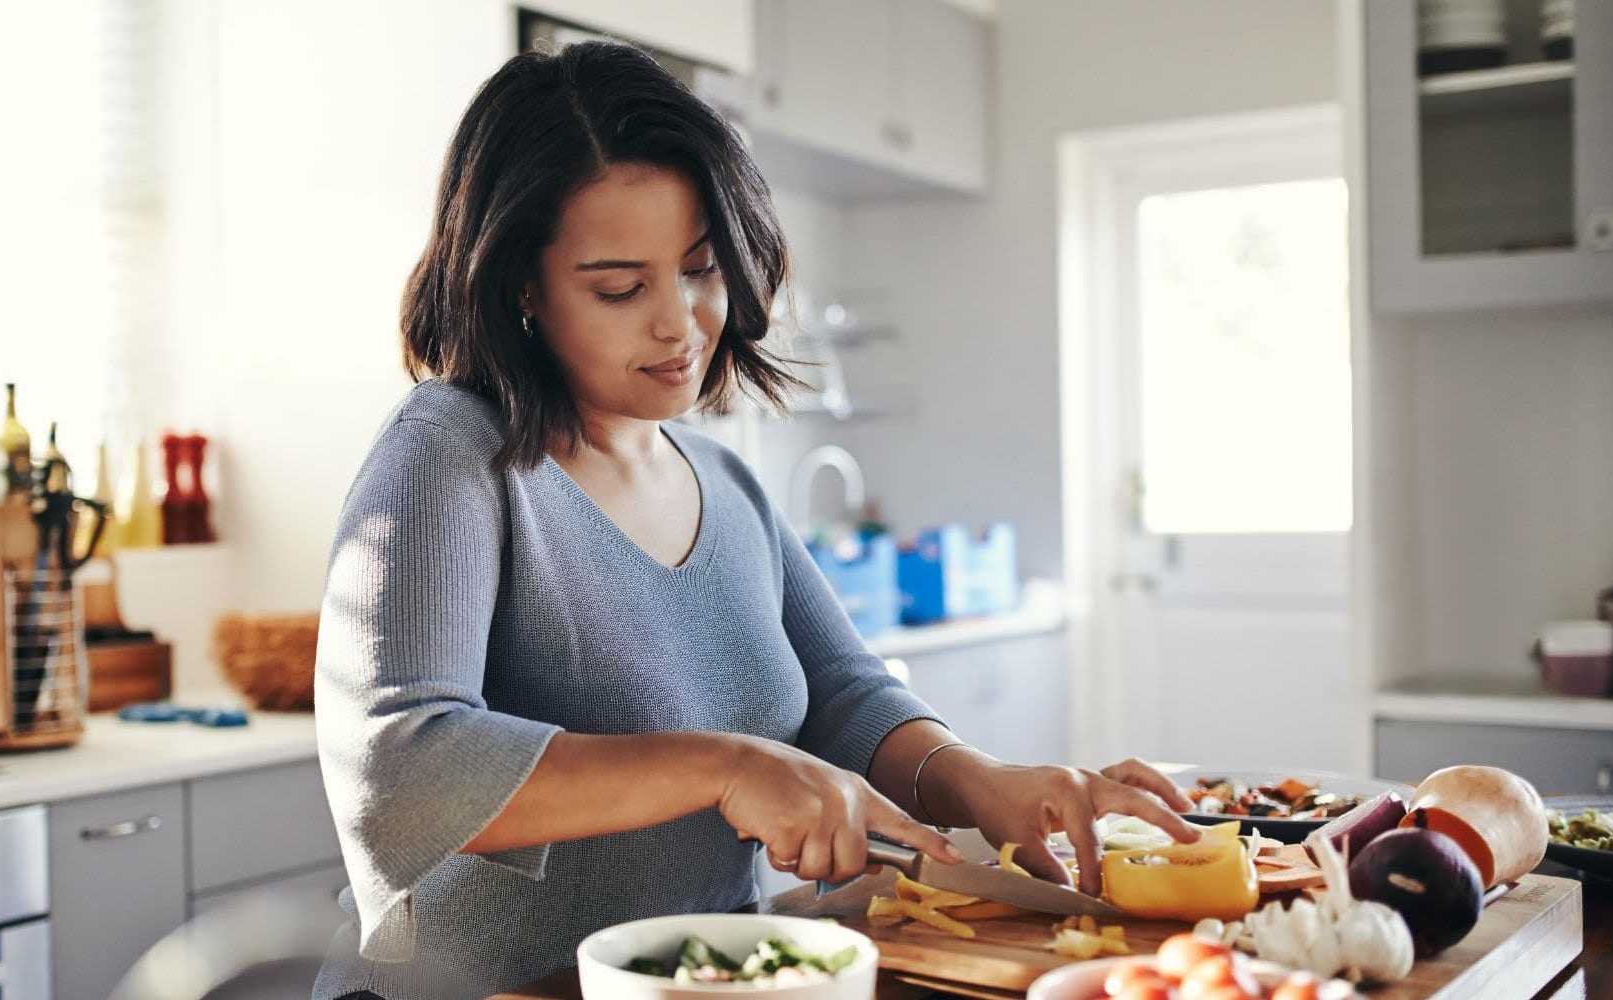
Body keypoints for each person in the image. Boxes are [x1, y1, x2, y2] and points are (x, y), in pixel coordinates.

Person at [312, 40, 1199, 1000]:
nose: (682, 322)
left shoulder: (722, 479)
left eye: (700, 269)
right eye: (620, 287)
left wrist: (979, 780)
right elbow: (398, 768)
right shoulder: (448, 451)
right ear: (520, 286)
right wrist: (725, 767)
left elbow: (845, 698)